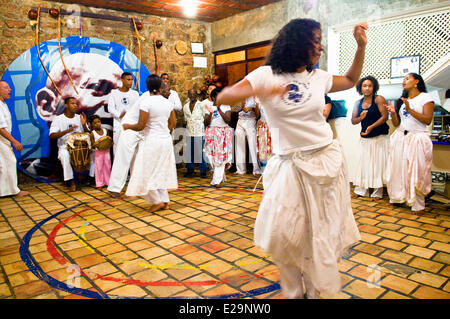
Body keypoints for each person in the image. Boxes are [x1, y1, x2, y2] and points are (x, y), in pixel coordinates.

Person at [216, 18, 367, 299]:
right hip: (289, 167)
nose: (319, 47)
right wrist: (260, 90)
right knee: (287, 235)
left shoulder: (318, 77)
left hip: (324, 163)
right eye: (314, 41)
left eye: (320, 41)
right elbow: (223, 96)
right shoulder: (265, 74)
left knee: (319, 234)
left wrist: (360, 48)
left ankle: (315, 292)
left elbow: (349, 80)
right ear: (296, 43)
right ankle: (293, 293)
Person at [124, 75, 178, 213]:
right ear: (160, 87)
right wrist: (164, 131)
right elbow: (173, 123)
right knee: (159, 171)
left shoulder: (146, 103)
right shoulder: (167, 103)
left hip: (152, 141)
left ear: (147, 87)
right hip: (165, 140)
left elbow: (141, 126)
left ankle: (157, 201)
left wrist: (128, 126)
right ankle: (165, 201)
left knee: (146, 171)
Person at [386, 73, 434, 212]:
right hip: (401, 137)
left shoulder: (426, 98)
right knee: (398, 169)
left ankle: (417, 204)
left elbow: (427, 120)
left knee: (416, 171)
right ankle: (398, 197)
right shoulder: (402, 100)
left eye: (407, 79)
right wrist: (394, 113)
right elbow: (396, 124)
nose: (404, 81)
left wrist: (410, 109)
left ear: (416, 81)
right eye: (403, 79)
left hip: (417, 138)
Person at [351, 76, 389, 198]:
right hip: (365, 138)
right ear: (360, 88)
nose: (367, 88)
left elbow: (384, 117)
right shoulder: (358, 103)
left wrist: (372, 126)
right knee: (364, 164)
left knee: (378, 164)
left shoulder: (379, 99)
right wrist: (360, 118)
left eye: (370, 86)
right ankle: (361, 190)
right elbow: (353, 120)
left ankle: (377, 192)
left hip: (379, 137)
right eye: (364, 86)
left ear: (374, 87)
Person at [49, 97, 89, 191]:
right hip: (65, 147)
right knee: (65, 156)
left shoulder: (79, 118)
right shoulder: (58, 119)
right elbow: (52, 136)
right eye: (72, 103)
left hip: (79, 146)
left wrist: (83, 124)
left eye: (76, 103)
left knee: (94, 153)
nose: (75, 105)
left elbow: (88, 133)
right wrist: (68, 130)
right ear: (66, 105)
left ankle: (89, 178)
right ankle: (70, 181)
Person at [0, 81, 29, 197]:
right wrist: (14, 141)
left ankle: (6, 191)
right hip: (1, 139)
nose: (10, 90)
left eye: (9, 87)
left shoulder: (3, 104)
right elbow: (1, 128)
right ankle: (12, 190)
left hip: (4, 139)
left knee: (5, 164)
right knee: (9, 162)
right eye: (6, 88)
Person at [203, 88, 233, 188]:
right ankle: (220, 176)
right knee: (211, 156)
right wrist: (211, 112)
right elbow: (206, 122)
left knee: (220, 157)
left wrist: (219, 109)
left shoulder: (226, 106)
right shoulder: (208, 107)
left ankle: (216, 181)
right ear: (213, 97)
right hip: (212, 133)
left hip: (223, 133)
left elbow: (228, 120)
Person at [108, 72, 140, 156]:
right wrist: (119, 115)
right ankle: (118, 168)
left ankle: (131, 169)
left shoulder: (135, 94)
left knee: (132, 148)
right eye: (128, 79)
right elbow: (110, 108)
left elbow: (139, 108)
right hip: (119, 124)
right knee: (118, 148)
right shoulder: (114, 93)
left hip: (132, 124)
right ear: (122, 80)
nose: (131, 82)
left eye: (132, 80)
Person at [183, 89, 208, 178]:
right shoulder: (185, 106)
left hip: (199, 132)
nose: (192, 96)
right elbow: (186, 120)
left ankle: (203, 171)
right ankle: (190, 170)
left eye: (194, 94)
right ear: (188, 95)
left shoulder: (201, 105)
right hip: (189, 132)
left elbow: (205, 117)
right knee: (189, 152)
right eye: (190, 94)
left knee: (201, 152)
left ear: (196, 95)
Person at [234, 97, 262, 176]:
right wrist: (242, 105)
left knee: (252, 145)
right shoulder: (239, 96)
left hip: (251, 120)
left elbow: (257, 115)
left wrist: (253, 107)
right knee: (239, 146)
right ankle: (240, 169)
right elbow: (235, 109)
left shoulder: (255, 97)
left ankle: (256, 169)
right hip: (240, 120)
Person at [89, 115, 111, 189]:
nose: (97, 124)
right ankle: (99, 183)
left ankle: (108, 182)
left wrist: (110, 142)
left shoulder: (105, 130)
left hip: (106, 151)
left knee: (107, 166)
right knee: (99, 168)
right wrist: (95, 144)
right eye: (95, 123)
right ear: (92, 124)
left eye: (98, 122)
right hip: (98, 152)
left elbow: (109, 139)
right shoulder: (92, 133)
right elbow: (92, 145)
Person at [254, 98, 272, 172]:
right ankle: (264, 169)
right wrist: (257, 105)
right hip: (263, 126)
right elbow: (257, 115)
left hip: (272, 126)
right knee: (262, 149)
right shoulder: (260, 101)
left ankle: (273, 170)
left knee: (272, 148)